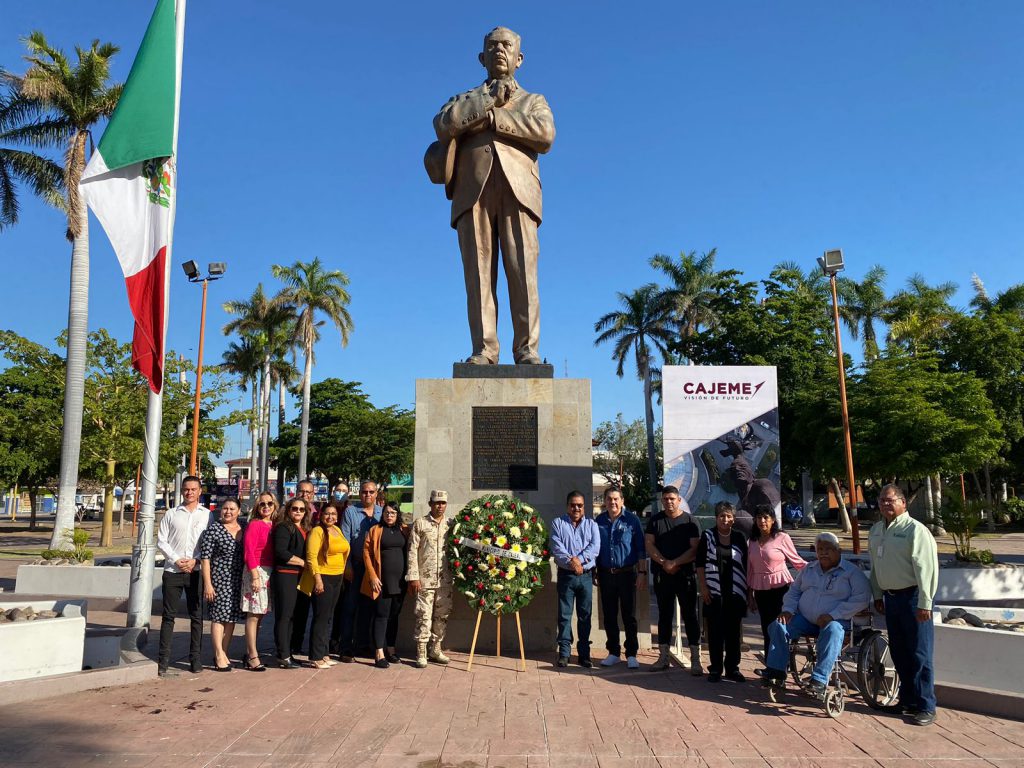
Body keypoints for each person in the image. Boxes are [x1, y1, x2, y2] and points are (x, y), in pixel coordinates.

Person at [429, 26, 555, 365]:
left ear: (519, 57)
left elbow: (545, 135)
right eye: (493, 45)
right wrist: (487, 101)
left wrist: (496, 117)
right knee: (478, 274)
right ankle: (484, 349)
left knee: (523, 272)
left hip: (520, 193)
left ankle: (527, 350)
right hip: (473, 192)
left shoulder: (534, 101)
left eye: (507, 45)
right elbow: (443, 124)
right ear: (482, 57)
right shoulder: (464, 100)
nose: (500, 49)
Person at [763, 532, 871, 699]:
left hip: (837, 621)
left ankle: (819, 680)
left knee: (833, 630)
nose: (823, 553)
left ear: (839, 551)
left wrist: (833, 615)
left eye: (828, 549)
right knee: (778, 625)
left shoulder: (851, 572)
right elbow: (794, 592)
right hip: (806, 619)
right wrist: (788, 610)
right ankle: (776, 672)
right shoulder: (809, 569)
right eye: (820, 549)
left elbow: (861, 599)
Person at [869, 484, 939, 726]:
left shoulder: (915, 530)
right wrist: (877, 595)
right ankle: (907, 701)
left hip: (913, 599)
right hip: (890, 599)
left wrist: (925, 603)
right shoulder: (877, 530)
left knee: (920, 653)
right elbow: (875, 566)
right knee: (899, 653)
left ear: (903, 503)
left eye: (890, 500)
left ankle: (926, 706)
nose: (885, 504)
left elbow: (926, 568)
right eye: (881, 500)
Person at [156, 475, 211, 677]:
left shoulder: (207, 515)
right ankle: (163, 660)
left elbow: (208, 544)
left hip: (196, 572)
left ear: (199, 491)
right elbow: (162, 541)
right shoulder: (171, 514)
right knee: (168, 617)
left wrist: (195, 560)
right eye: (186, 489)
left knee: (196, 617)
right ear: (182, 491)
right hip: (173, 571)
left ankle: (195, 659)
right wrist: (176, 559)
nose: (190, 492)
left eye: (193, 489)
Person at [645, 486, 703, 674]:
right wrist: (664, 562)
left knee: (690, 617)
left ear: (679, 500)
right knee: (664, 616)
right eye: (665, 499)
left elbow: (695, 549)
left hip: (685, 575)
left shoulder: (690, 521)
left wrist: (675, 562)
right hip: (663, 575)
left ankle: (696, 659)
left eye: (672, 498)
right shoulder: (655, 521)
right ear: (661, 501)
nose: (668, 502)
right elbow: (649, 544)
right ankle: (663, 657)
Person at [696, 501, 749, 683]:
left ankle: (733, 668)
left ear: (733, 519)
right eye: (722, 516)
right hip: (714, 591)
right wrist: (703, 587)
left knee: (734, 633)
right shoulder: (708, 536)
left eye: (729, 516)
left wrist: (749, 593)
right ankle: (715, 669)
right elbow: (700, 564)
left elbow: (747, 564)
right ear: (716, 518)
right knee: (715, 632)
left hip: (735, 591)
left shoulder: (740, 537)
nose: (725, 520)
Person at [747, 504, 807, 663]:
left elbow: (797, 561)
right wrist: (750, 595)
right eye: (759, 518)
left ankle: (782, 665)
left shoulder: (782, 537)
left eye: (766, 517)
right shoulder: (752, 541)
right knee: (767, 629)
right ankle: (770, 665)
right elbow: (750, 570)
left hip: (782, 590)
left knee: (780, 627)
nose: (762, 521)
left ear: (773, 520)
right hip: (761, 591)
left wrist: (819, 570)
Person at [594, 487, 647, 669]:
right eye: (609, 499)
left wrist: (642, 573)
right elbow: (595, 549)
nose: (613, 502)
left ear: (622, 501)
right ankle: (613, 652)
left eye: (616, 499)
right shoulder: (599, 521)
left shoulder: (632, 520)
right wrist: (594, 571)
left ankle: (631, 653)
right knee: (609, 615)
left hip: (627, 574)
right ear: (605, 501)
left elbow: (641, 549)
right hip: (606, 574)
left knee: (629, 615)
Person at [549, 490, 601, 668]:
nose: (576, 508)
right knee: (564, 616)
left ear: (584, 507)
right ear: (567, 506)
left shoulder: (592, 525)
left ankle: (584, 654)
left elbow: (595, 548)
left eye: (579, 505)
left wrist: (579, 561)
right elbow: (557, 547)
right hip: (566, 577)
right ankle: (564, 653)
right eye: (573, 505)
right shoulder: (558, 523)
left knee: (584, 616)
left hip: (585, 577)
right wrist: (573, 562)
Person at [334, 480, 382, 661]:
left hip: (374, 569)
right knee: (350, 607)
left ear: (376, 493)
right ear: (359, 493)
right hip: (356, 565)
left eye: (371, 492)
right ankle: (346, 647)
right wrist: (347, 566)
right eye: (364, 492)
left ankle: (362, 645)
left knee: (368, 608)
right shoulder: (350, 512)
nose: (367, 495)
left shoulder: (380, 512)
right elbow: (345, 541)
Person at [406, 489, 455, 668]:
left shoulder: (451, 524)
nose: (439, 506)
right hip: (424, 579)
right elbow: (412, 551)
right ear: (430, 504)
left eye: (442, 503)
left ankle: (436, 648)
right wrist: (413, 576)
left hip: (445, 580)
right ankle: (421, 651)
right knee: (423, 615)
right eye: (436, 503)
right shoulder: (420, 524)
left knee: (442, 615)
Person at [300, 501, 350, 669]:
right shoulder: (317, 531)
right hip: (323, 577)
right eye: (327, 514)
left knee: (328, 617)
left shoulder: (337, 530)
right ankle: (315, 656)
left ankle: (324, 653)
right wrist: (318, 579)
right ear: (321, 515)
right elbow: (311, 557)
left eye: (333, 514)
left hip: (337, 577)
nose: (330, 517)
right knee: (320, 618)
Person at [198, 497, 245, 672]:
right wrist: (208, 584)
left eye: (232, 509)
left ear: (239, 511)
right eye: (225, 508)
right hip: (219, 580)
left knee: (231, 617)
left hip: (238, 580)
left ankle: (224, 652)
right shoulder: (214, 530)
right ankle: (218, 654)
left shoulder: (243, 528)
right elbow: (205, 559)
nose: (228, 512)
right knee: (218, 617)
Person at [362, 503, 410, 668]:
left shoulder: (404, 530)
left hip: (400, 582)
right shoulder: (375, 530)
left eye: (393, 513)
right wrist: (373, 576)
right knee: (381, 615)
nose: (389, 515)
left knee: (394, 616)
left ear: (397, 515)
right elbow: (366, 553)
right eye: (387, 512)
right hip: (381, 581)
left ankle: (391, 649)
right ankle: (379, 652)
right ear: (382, 514)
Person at [270, 496, 311, 668]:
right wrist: (303, 562)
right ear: (288, 510)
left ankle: (288, 652)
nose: (298, 512)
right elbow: (281, 552)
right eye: (295, 509)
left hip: (298, 576)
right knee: (284, 616)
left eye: (302, 509)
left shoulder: (303, 528)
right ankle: (283, 655)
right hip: (285, 575)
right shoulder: (283, 527)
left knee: (293, 616)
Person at [240, 491, 276, 671]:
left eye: (269, 503)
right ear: (257, 506)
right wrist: (255, 576)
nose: (266, 507)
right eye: (262, 504)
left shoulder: (274, 524)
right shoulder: (255, 524)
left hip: (269, 571)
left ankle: (250, 652)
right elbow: (249, 552)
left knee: (260, 615)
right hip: (257, 571)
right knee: (253, 615)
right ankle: (252, 655)